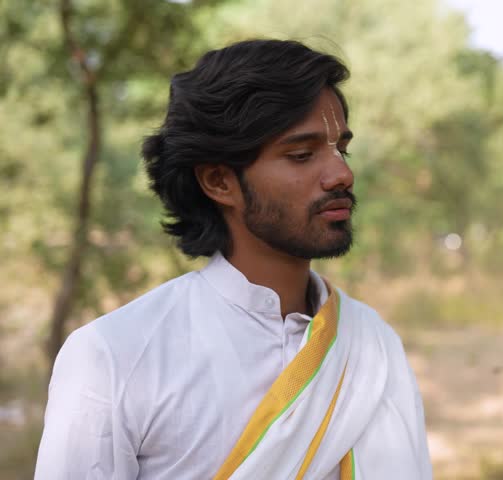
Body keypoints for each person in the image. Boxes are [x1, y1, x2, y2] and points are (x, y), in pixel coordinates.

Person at [35, 39, 432, 480]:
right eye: (302, 155)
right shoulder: (116, 356)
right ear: (219, 181)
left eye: (342, 148)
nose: (342, 174)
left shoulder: (373, 345)